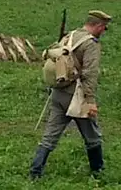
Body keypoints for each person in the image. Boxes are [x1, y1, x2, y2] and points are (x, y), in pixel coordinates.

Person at [30, 10, 112, 179]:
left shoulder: (70, 36)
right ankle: (98, 173)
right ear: (97, 26)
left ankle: (35, 172)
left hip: (58, 94)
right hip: (77, 96)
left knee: (49, 137)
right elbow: (90, 73)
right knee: (92, 136)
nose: (104, 31)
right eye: (103, 27)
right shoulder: (90, 44)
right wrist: (90, 100)